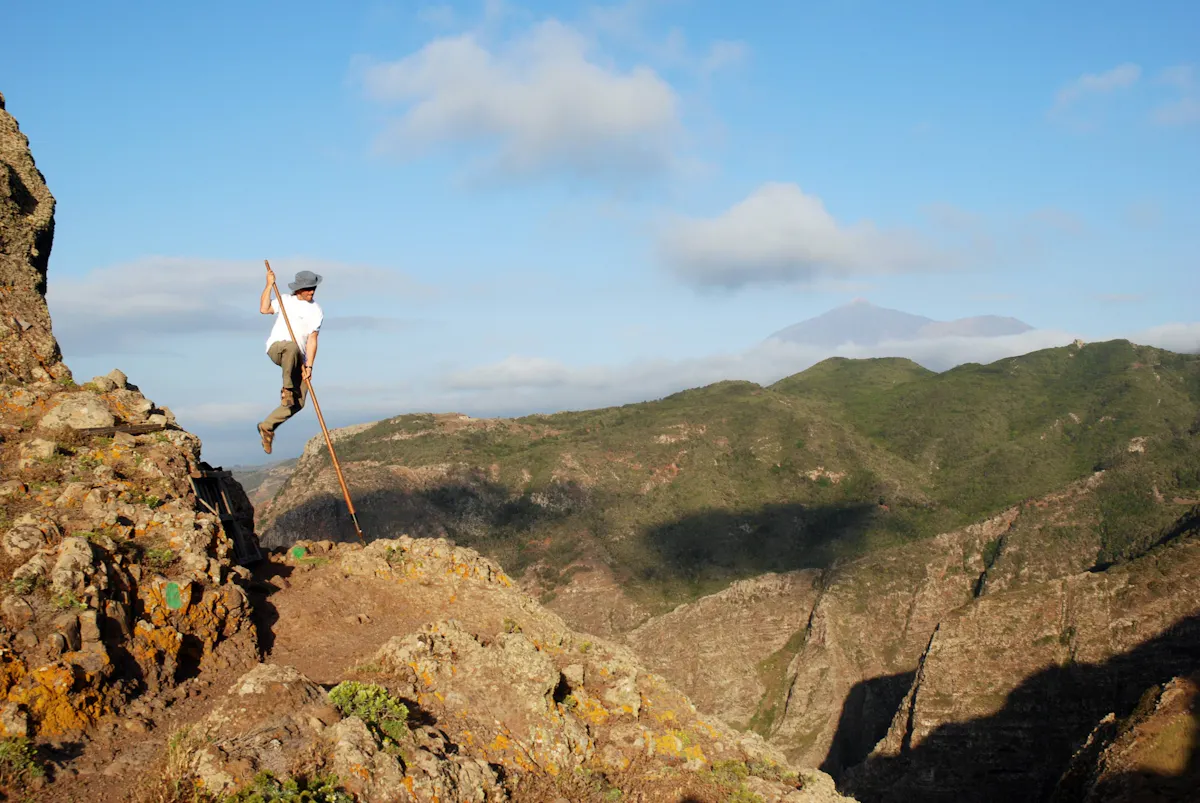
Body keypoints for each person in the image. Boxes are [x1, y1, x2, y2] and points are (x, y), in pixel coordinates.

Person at [257, 265, 323, 454]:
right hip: (278, 349)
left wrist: (309, 366)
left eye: (314, 288)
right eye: (308, 288)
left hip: (298, 359)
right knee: (291, 347)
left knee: (299, 402)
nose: (312, 291)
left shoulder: (316, 310)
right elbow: (264, 309)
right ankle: (286, 389)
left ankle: (267, 426)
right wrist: (269, 285)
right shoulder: (285, 300)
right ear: (299, 289)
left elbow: (312, 339)